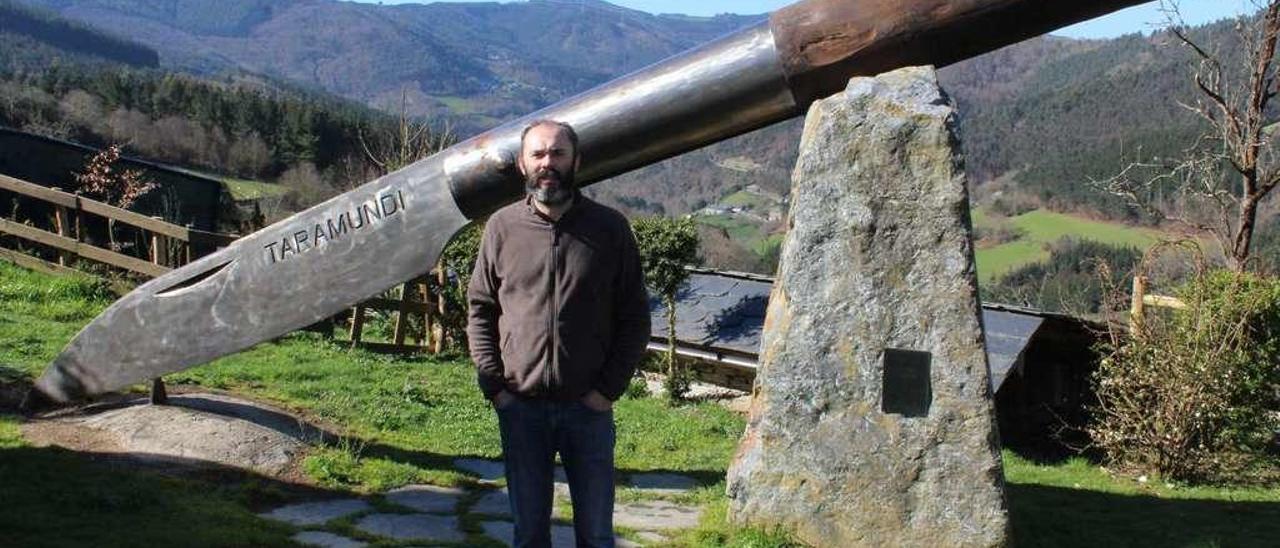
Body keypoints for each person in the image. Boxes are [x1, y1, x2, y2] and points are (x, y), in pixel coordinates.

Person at [467, 119, 651, 548]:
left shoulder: (610, 229)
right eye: (538, 154)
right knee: (529, 535)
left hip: (588, 410)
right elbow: (480, 310)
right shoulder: (501, 228)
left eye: (557, 153)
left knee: (596, 536)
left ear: (576, 160)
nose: (547, 163)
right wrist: (495, 386)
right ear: (522, 164)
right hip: (521, 409)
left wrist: (607, 390)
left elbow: (635, 317)